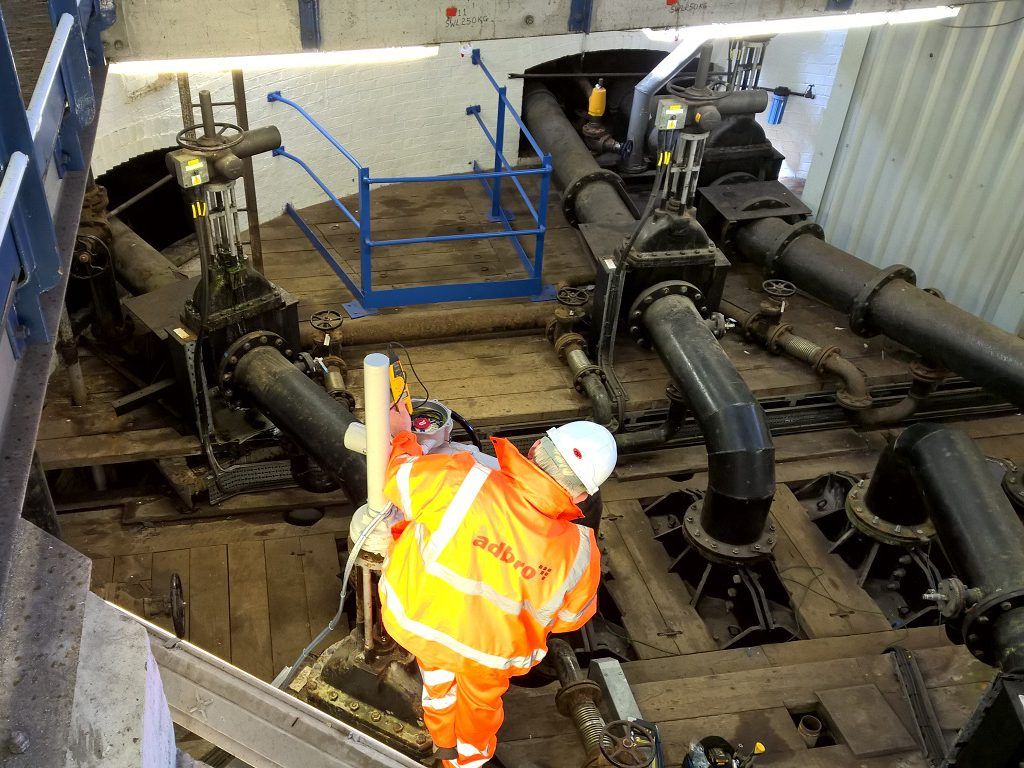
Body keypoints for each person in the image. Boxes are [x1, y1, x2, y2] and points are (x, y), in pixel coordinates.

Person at [378, 410, 617, 768]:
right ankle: (468, 762)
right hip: (491, 658)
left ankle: (443, 745)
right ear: (582, 496)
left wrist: (403, 437)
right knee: (479, 708)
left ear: (535, 447)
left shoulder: (461, 479)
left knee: (439, 686)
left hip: (421, 623)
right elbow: (569, 621)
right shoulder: (581, 551)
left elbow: (397, 476)